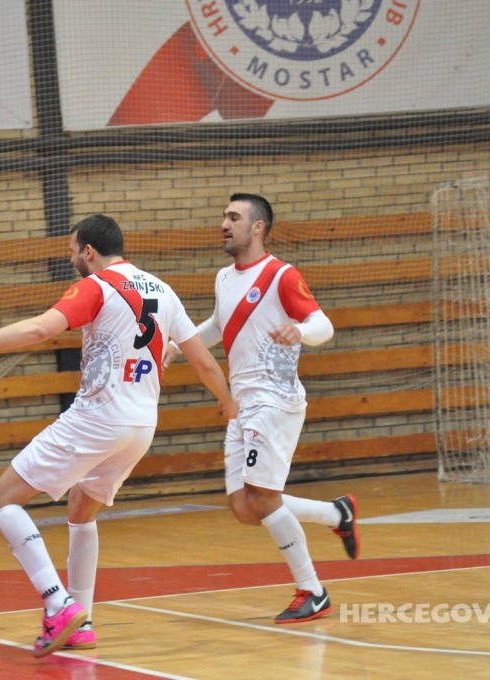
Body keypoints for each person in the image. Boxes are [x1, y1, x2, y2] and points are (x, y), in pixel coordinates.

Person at [0, 214, 237, 657]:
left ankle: (60, 607)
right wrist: (228, 404)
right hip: (140, 427)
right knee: (81, 510)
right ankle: (82, 620)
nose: (72, 258)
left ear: (89, 252)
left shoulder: (97, 285)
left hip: (98, 419)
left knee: (0, 503)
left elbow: (41, 329)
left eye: (73, 251)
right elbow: (205, 362)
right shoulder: (161, 289)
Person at [164, 193, 360, 624]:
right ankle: (335, 513)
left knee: (264, 497)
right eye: (223, 216)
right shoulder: (224, 278)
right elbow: (219, 326)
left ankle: (312, 590)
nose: (224, 224)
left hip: (274, 400)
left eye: (233, 217)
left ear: (258, 227)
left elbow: (324, 325)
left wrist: (301, 330)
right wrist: (181, 346)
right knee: (244, 506)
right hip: (243, 403)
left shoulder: (282, 275)